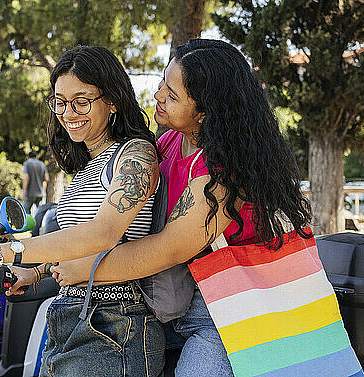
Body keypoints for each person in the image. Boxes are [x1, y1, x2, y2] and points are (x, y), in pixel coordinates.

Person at [47, 39, 312, 376]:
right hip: (173, 303)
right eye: (162, 83)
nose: (158, 96)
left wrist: (88, 270)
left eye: (172, 96)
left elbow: (166, 249)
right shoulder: (170, 141)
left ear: (205, 111)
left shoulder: (224, 173)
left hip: (228, 313)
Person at [0, 46, 165, 377]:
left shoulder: (135, 155)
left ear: (113, 100)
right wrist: (35, 273)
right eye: (60, 101)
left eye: (81, 100)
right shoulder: (85, 168)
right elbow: (77, 246)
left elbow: (104, 233)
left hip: (117, 322)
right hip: (68, 314)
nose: (68, 112)